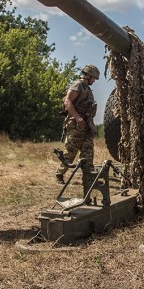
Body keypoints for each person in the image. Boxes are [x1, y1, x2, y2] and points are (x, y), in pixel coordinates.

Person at [56, 65, 100, 196]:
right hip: (76, 125)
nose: (94, 81)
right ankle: (59, 174)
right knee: (70, 152)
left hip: (86, 125)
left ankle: (88, 178)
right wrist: (77, 117)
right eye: (94, 78)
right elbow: (67, 101)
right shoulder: (78, 85)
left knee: (88, 152)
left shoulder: (87, 88)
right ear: (88, 75)